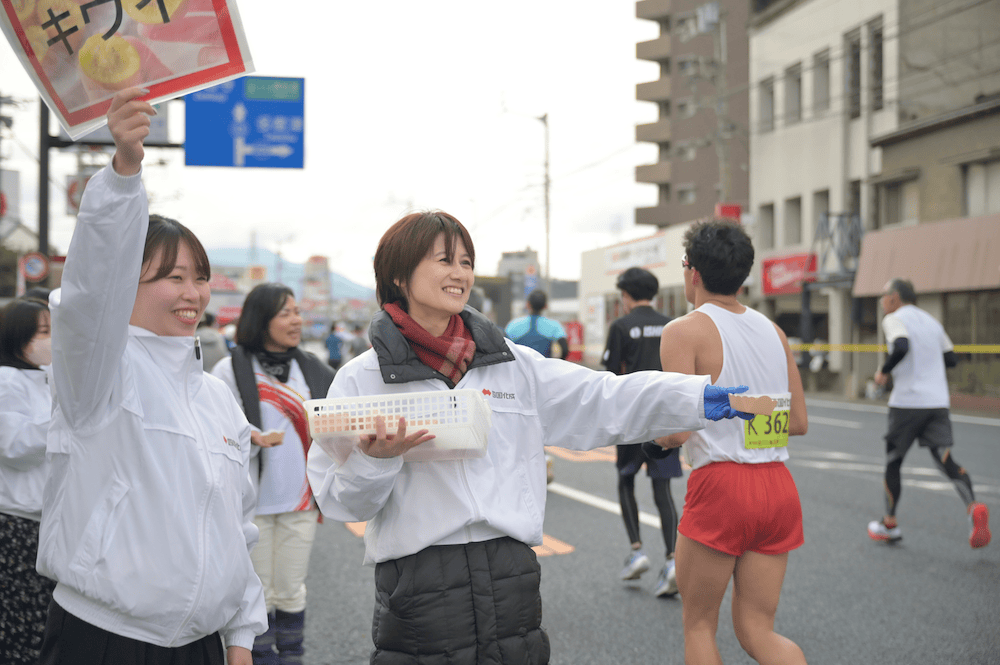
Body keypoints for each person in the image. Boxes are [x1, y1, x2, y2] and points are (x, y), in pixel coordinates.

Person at [306, 210, 756, 664]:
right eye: (444, 260)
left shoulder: (511, 363)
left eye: (465, 261)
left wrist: (693, 398)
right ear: (399, 275)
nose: (459, 273)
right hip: (419, 585)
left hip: (510, 576)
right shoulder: (362, 379)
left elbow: (601, 396)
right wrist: (376, 462)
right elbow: (341, 502)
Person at [37, 88, 266, 665]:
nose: (192, 294)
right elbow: (89, 293)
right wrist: (123, 172)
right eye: (172, 277)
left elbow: (235, 525)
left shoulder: (217, 396)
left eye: (200, 277)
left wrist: (241, 635)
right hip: (105, 639)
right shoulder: (98, 371)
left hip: (201, 646)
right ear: (127, 283)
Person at [656, 219, 808, 665]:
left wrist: (655, 439)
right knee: (759, 630)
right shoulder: (774, 332)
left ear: (693, 272)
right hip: (777, 485)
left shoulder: (684, 331)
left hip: (721, 486)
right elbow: (796, 420)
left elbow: (678, 430)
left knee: (700, 624)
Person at [213, 283, 335, 665]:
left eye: (297, 312)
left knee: (292, 590)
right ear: (260, 319)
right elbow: (215, 429)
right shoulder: (230, 369)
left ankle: (293, 658)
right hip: (252, 506)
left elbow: (334, 426)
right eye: (286, 313)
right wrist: (250, 437)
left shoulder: (312, 368)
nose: (296, 320)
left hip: (300, 500)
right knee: (259, 593)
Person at [869, 278, 990, 548]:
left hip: (907, 404)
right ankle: (972, 506)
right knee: (945, 459)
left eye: (883, 295)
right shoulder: (932, 321)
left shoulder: (894, 319)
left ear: (895, 297)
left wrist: (884, 372)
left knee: (894, 462)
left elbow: (901, 346)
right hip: (937, 402)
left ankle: (889, 523)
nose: (881, 301)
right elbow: (950, 358)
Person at [601, 267, 682, 597]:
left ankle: (637, 551)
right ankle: (673, 559)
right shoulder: (671, 325)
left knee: (626, 479)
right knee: (663, 489)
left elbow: (610, 374)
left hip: (632, 417)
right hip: (664, 417)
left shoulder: (621, 326)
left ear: (626, 296)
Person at [0, 297, 56, 663]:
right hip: (15, 525)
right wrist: (67, 424)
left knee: (41, 628)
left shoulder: (48, 378)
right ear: (17, 336)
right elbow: (13, 444)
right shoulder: (6, 379)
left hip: (47, 523)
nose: (53, 340)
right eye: (45, 332)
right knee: (21, 630)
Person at [505, 289, 569, 359]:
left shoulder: (513, 324)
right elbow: (565, 349)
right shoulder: (554, 325)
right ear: (545, 306)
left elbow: (504, 348)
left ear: (528, 305)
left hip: (520, 368)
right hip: (544, 368)